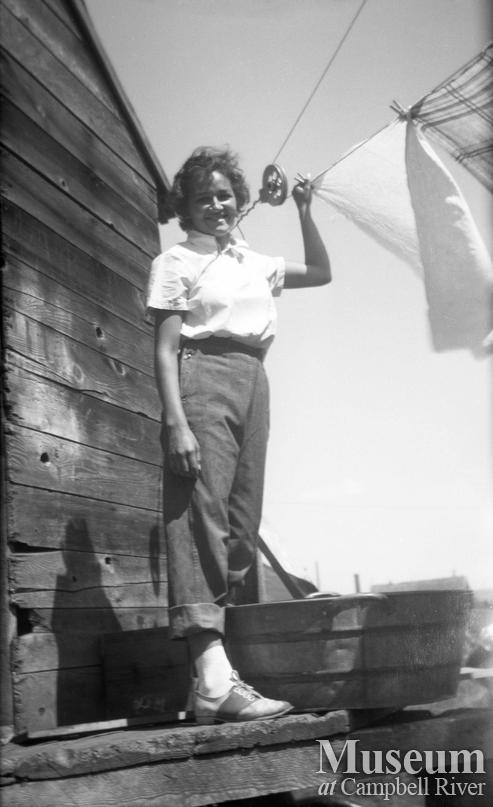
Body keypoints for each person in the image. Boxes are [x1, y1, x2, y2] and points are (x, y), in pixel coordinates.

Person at [146, 147, 331, 724]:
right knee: (200, 512)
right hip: (202, 376)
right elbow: (165, 349)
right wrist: (176, 420)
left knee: (242, 524)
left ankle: (231, 674)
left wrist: (304, 209)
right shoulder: (175, 261)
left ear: (239, 199)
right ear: (186, 207)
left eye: (224, 194)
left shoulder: (253, 261)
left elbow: (321, 272)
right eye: (203, 198)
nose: (216, 205)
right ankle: (210, 679)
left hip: (255, 379)